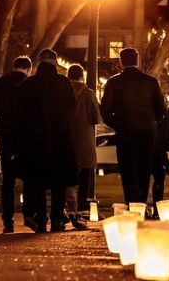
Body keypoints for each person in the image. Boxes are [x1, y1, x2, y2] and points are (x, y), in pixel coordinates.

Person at [18, 48, 78, 232]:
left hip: (36, 140)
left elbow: (23, 112)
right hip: (59, 137)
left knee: (38, 182)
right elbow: (72, 106)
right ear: (54, 61)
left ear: (39, 62)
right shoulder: (63, 83)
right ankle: (57, 218)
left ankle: (41, 219)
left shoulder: (30, 84)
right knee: (58, 182)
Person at [100, 47, 167, 210]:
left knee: (128, 166)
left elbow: (105, 110)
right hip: (147, 130)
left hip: (125, 130)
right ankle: (141, 201)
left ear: (121, 61)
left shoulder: (114, 82)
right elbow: (162, 108)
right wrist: (152, 120)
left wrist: (117, 124)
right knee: (145, 166)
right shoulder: (150, 82)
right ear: (137, 60)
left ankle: (131, 200)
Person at [0, 55, 31, 233]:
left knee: (8, 180)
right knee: (29, 178)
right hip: (26, 137)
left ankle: (8, 221)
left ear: (14, 67)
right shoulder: (29, 84)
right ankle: (28, 214)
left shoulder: (0, 84)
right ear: (28, 69)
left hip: (6, 137)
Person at [66, 63, 101, 221]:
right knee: (85, 175)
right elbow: (96, 117)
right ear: (82, 76)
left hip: (67, 138)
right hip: (85, 139)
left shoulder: (63, 92)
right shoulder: (88, 93)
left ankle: (70, 208)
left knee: (68, 175)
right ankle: (81, 209)